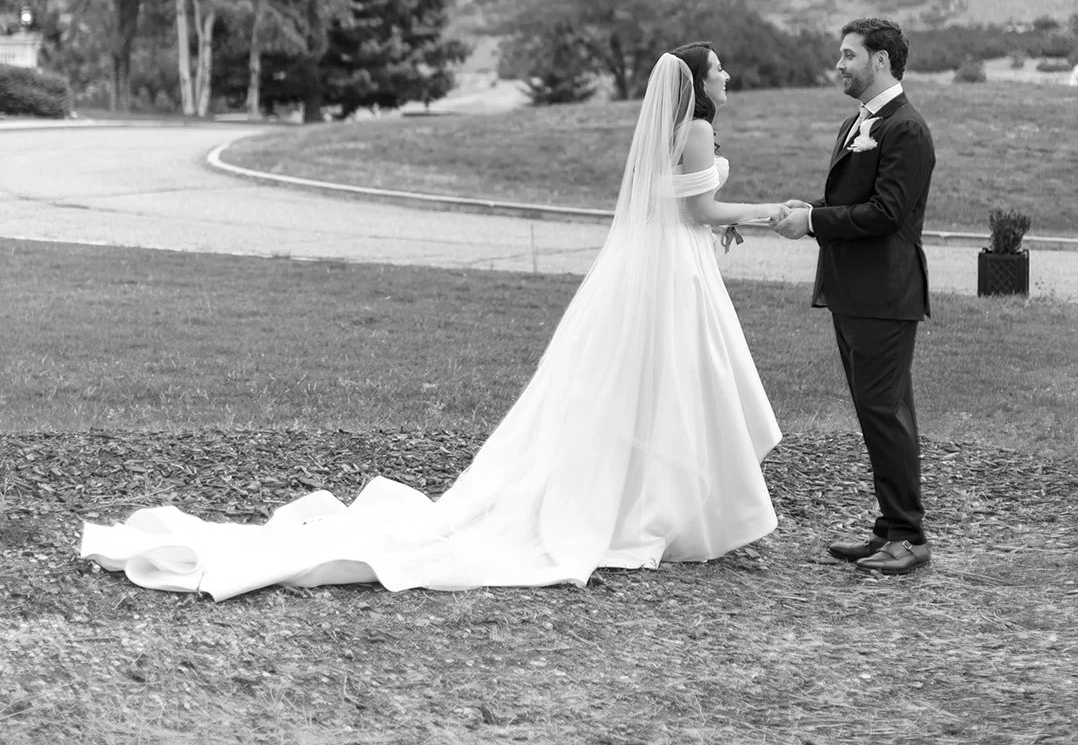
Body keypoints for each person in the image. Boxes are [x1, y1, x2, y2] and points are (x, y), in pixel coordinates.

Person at [81, 47, 789, 599]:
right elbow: (697, 210)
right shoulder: (696, 127)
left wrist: (719, 224)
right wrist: (767, 215)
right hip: (672, 267)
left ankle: (663, 504)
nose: (728, 77)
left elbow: (677, 204)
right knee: (676, 377)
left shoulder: (687, 130)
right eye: (720, 69)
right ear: (697, 82)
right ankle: (667, 508)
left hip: (666, 262)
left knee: (662, 379)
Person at [771, 17, 935, 576]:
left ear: (881, 61)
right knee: (876, 410)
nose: (838, 65)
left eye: (848, 55)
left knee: (885, 413)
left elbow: (888, 213)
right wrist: (808, 209)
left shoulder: (906, 129)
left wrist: (815, 220)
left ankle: (909, 536)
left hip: (884, 294)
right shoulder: (856, 123)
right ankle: (888, 528)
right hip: (853, 291)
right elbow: (849, 200)